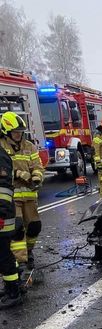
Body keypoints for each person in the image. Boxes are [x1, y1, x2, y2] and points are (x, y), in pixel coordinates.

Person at [0, 112, 44, 283]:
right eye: (15, 132)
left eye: (20, 132)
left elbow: (38, 165)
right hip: (11, 197)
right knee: (17, 229)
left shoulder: (29, 146)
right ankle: (20, 261)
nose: (19, 135)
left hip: (30, 195)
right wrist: (19, 173)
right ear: (6, 131)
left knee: (34, 227)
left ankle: (29, 250)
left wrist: (37, 176)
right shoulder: (2, 147)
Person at [0, 115, 22, 309]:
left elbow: (4, 188)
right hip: (3, 212)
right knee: (4, 252)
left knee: (3, 254)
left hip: (2, 214)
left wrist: (0, 212)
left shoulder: (0, 156)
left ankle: (13, 292)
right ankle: (13, 285)